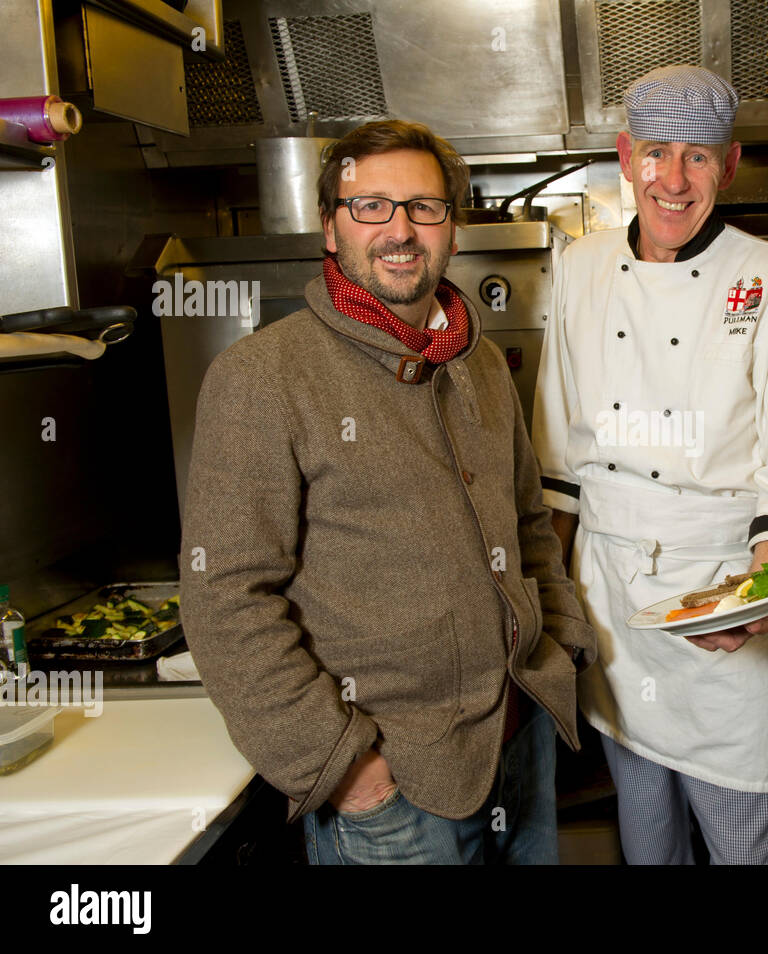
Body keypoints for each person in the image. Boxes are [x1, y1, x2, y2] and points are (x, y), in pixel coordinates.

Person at [180, 120, 594, 865]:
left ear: (453, 230)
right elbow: (225, 596)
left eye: (424, 207)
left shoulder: (482, 364)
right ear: (331, 229)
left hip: (520, 743)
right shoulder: (262, 376)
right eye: (370, 206)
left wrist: (561, 648)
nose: (399, 229)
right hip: (396, 789)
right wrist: (339, 764)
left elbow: (531, 525)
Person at [532, 65, 768, 864]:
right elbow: (557, 452)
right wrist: (556, 611)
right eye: (657, 153)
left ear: (728, 166)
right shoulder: (581, 267)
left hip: (721, 594)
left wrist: (761, 591)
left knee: (748, 841)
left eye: (697, 157)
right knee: (646, 832)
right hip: (613, 594)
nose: (674, 179)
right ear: (627, 157)